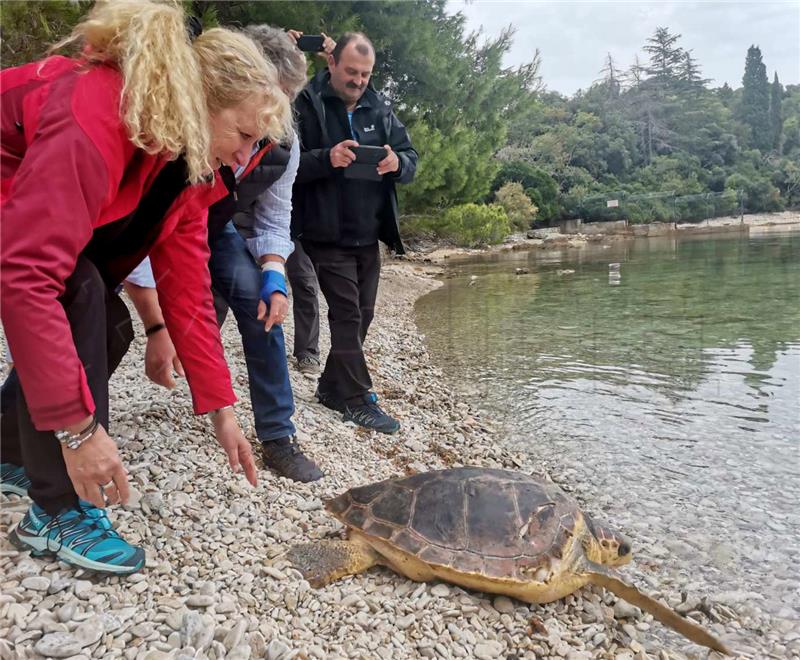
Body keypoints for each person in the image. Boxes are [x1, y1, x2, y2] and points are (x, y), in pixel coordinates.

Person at [0, 1, 292, 575]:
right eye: (242, 134)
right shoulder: (98, 114)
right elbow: (26, 274)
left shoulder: (181, 166)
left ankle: (9, 448)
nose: (243, 157)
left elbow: (187, 291)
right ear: (199, 99)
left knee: (109, 323)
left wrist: (220, 410)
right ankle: (55, 509)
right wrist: (81, 433)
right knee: (77, 288)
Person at [124, 24, 323, 483]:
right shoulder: (173, 129)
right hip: (169, 219)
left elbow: (275, 216)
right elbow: (137, 228)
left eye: (286, 106)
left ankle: (277, 435)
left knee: (261, 307)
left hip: (217, 226)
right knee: (108, 321)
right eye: (267, 106)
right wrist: (156, 322)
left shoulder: (281, 144)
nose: (274, 125)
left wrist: (275, 274)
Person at [291, 32, 418, 434]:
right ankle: (358, 400)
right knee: (346, 314)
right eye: (351, 71)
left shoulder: (379, 110)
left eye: (365, 74)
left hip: (368, 233)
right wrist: (326, 159)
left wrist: (396, 163)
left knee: (364, 316)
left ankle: (330, 387)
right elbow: (283, 162)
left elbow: (412, 159)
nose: (358, 80)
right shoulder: (305, 104)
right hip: (323, 233)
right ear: (331, 64)